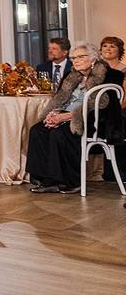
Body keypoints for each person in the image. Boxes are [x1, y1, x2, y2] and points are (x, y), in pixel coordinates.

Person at [27, 42, 122, 194]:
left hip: (93, 120)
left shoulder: (110, 75)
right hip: (65, 116)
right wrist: (54, 113)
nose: (75, 60)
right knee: (37, 130)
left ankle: (70, 182)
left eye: (80, 57)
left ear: (93, 59)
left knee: (60, 133)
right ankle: (47, 180)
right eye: (73, 58)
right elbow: (59, 99)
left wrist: (69, 116)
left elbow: (104, 106)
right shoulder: (72, 75)